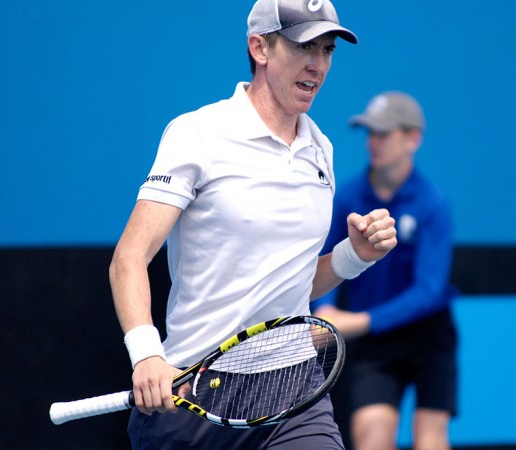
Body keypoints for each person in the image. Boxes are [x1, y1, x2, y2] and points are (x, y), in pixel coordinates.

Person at [108, 2, 397, 449]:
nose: (317, 65)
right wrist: (147, 355)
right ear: (260, 47)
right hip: (196, 390)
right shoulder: (197, 134)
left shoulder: (321, 149)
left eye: (327, 50)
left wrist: (352, 256)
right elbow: (129, 258)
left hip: (293, 386)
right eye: (304, 47)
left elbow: (290, 281)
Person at [313, 91, 458, 450]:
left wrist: (358, 322)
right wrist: (325, 311)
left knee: (430, 440)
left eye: (384, 133)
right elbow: (326, 257)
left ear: (413, 138)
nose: (373, 143)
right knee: (372, 439)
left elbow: (429, 291)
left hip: (429, 339)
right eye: (370, 134)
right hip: (375, 347)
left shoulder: (433, 205)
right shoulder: (347, 197)